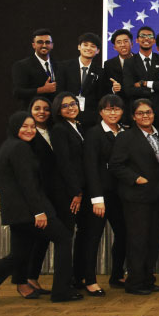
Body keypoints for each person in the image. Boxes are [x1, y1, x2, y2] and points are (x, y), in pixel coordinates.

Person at [0, 112, 80, 304]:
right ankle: (61, 291)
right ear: (15, 127)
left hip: (17, 212)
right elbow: (28, 184)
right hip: (29, 211)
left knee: (17, 255)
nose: (29, 130)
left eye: (32, 127)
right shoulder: (19, 148)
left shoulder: (9, 145)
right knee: (63, 238)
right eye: (24, 126)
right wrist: (39, 212)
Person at [109, 99, 159, 295]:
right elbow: (115, 165)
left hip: (157, 195)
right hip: (136, 197)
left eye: (148, 112)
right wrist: (136, 179)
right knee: (137, 241)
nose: (145, 116)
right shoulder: (126, 137)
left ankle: (148, 279)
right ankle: (134, 282)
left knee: (153, 240)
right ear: (133, 117)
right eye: (140, 113)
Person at [51, 92, 98, 294]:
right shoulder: (59, 129)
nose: (71, 108)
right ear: (58, 110)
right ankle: (64, 284)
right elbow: (64, 163)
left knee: (84, 235)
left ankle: (78, 277)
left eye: (73, 103)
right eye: (65, 106)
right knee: (67, 238)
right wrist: (76, 192)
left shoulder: (78, 126)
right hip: (69, 194)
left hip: (82, 190)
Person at [83, 94, 128, 289]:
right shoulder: (94, 134)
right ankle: (90, 280)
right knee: (93, 237)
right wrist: (96, 198)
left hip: (121, 194)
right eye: (108, 109)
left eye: (117, 109)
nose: (113, 113)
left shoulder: (125, 132)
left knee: (123, 234)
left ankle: (117, 275)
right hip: (100, 194)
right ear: (101, 112)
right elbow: (91, 167)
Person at [22, 96, 64, 294]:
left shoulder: (54, 130)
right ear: (30, 110)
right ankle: (25, 280)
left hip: (54, 192)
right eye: (37, 108)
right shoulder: (27, 135)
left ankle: (32, 277)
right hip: (36, 194)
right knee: (33, 239)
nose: (42, 112)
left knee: (43, 239)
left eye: (46, 109)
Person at [122, 26, 159, 127]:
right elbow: (129, 90)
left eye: (150, 36)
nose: (146, 38)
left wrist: (144, 83)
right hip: (139, 113)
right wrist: (157, 84)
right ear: (137, 40)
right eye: (143, 36)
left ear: (154, 41)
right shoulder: (129, 62)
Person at [57, 32, 106, 130]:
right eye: (85, 45)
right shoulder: (64, 66)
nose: (88, 48)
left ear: (98, 51)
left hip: (90, 120)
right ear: (79, 47)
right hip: (66, 116)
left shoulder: (101, 72)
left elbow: (100, 97)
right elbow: (60, 92)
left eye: (93, 46)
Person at [13, 28, 59, 107]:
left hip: (54, 111)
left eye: (47, 42)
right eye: (40, 42)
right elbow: (17, 93)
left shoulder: (58, 65)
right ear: (33, 45)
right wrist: (42, 90)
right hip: (32, 111)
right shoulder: (22, 65)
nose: (44, 45)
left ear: (52, 45)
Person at [102, 29, 130, 101]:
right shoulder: (108, 64)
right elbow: (104, 88)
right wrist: (113, 89)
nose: (123, 45)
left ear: (132, 44)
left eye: (126, 41)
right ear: (115, 47)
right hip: (118, 103)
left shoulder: (140, 60)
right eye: (119, 42)